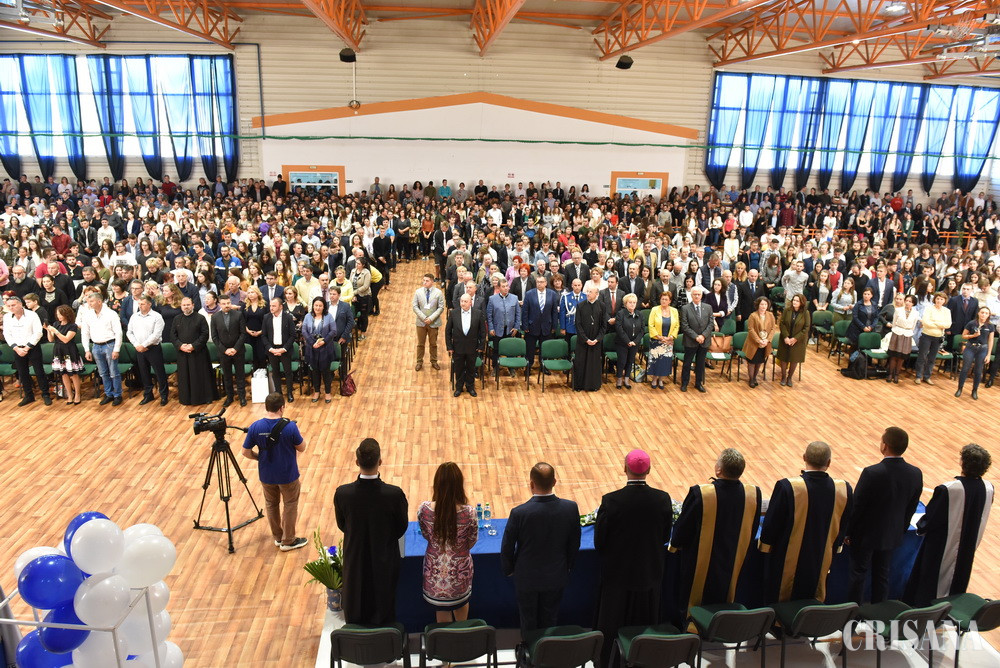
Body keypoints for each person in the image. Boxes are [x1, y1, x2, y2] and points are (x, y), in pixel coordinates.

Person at [594, 450, 672, 664]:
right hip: (649, 573)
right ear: (649, 470)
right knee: (645, 624)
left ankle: (610, 661)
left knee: (613, 623)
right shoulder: (662, 499)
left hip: (617, 576)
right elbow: (665, 536)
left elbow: (600, 542)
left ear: (624, 468)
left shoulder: (611, 501)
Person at [759, 441, 853, 603]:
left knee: (782, 600)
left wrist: (765, 546)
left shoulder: (788, 486)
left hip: (785, 560)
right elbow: (844, 522)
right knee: (813, 598)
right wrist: (837, 546)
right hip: (821, 558)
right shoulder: (844, 489)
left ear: (804, 457)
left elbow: (772, 523)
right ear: (829, 463)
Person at [670, 449, 761, 615]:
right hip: (733, 560)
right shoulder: (753, 494)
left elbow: (684, 528)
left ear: (718, 470)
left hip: (700, 564)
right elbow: (754, 527)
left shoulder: (701, 494)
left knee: (693, 604)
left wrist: (674, 545)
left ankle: (691, 624)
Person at [904, 444, 994, 607]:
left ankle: (924, 609)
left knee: (931, 581)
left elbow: (930, 519)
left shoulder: (949, 490)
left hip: (941, 546)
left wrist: (920, 526)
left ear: (963, 463)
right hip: (969, 545)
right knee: (959, 576)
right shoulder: (989, 488)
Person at [500, 462, 580, 639]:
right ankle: (548, 652)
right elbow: (574, 543)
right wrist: (567, 567)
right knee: (550, 619)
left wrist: (509, 570)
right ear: (555, 482)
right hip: (556, 575)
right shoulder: (570, 508)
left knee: (528, 621)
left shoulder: (519, 513)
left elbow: (507, 546)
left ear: (531, 484)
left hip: (526, 578)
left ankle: (530, 652)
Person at [334, 438, 409, 626]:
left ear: (356, 462)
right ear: (380, 461)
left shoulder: (343, 494)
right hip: (385, 559)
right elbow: (401, 527)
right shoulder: (394, 495)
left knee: (356, 605)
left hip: (355, 560)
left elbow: (342, 525)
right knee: (385, 605)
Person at [847, 426, 923, 604]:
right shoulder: (915, 473)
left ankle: (853, 612)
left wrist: (848, 531)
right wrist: (900, 530)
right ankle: (879, 612)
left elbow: (857, 506)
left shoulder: (872, 472)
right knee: (882, 575)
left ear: (885, 446)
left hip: (865, 535)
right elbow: (912, 506)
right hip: (891, 534)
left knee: (858, 574)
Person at [241, 392, 307, 551]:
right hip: (288, 475)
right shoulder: (290, 427)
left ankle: (278, 537)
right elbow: (302, 447)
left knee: (271, 505)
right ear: (282, 408)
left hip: (266, 474)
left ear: (266, 407)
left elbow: (245, 452)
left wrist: (259, 458)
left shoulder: (255, 426)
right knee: (290, 505)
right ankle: (288, 541)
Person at [418, 462, 478, 621]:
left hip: (434, 575)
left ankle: (444, 637)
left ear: (436, 484)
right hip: (460, 574)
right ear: (459, 485)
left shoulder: (424, 509)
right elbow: (472, 541)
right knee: (461, 613)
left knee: (441, 615)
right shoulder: (470, 512)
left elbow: (425, 535)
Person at [3, 293, 50, 406]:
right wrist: (16, 348)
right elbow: (7, 334)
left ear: (20, 304)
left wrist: (27, 347)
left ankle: (45, 394)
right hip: (17, 348)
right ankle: (29, 395)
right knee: (22, 373)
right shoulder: (7, 317)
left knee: (39, 371)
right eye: (9, 306)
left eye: (13, 305)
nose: (11, 308)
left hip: (32, 347)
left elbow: (38, 332)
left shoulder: (32, 315)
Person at [79, 291, 123, 406]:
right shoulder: (87, 315)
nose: (89, 304)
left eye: (91, 301)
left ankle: (117, 395)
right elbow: (85, 333)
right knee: (103, 372)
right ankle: (108, 394)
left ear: (99, 301)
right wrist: (86, 349)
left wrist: (116, 349)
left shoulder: (111, 314)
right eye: (88, 302)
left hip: (110, 344)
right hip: (96, 345)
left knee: (113, 372)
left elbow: (118, 332)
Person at [171, 296, 215, 405]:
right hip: (182, 353)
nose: (186, 307)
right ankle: (186, 399)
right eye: (184, 305)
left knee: (198, 376)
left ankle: (200, 399)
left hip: (198, 353)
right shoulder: (177, 319)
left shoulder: (200, 318)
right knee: (184, 377)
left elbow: (205, 334)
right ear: (181, 306)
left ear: (193, 305)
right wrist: (180, 346)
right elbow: (173, 335)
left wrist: (193, 346)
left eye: (188, 305)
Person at [127, 295, 169, 406]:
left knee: (159, 373)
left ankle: (164, 395)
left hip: (153, 348)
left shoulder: (157, 317)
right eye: (139, 304)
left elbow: (156, 334)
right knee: (144, 373)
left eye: (143, 304)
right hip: (139, 349)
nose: (140, 306)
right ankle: (148, 395)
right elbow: (129, 332)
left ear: (149, 304)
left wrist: (144, 345)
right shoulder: (134, 317)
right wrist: (137, 345)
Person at [446, 293, 486, 397]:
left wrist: (481, 346)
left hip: (472, 347)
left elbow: (483, 332)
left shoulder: (478, 313)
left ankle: (470, 387)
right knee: (458, 369)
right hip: (457, 347)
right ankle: (459, 387)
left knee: (471, 368)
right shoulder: (453, 313)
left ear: (470, 302)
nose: (463, 303)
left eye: (465, 301)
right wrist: (449, 346)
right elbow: (448, 331)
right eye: (461, 301)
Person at [211, 293, 247, 407]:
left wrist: (235, 348)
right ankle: (229, 397)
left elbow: (243, 334)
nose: (226, 305)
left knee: (240, 375)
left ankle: (242, 397)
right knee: (227, 376)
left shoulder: (238, 315)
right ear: (219, 304)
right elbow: (214, 337)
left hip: (238, 350)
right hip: (224, 352)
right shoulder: (215, 317)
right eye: (224, 303)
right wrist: (224, 350)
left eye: (228, 303)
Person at [300, 296, 337, 403]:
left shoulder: (328, 316)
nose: (318, 307)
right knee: (314, 372)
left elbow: (333, 331)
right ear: (313, 306)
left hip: (325, 348)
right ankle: (316, 391)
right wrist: (312, 343)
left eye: (320, 305)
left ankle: (327, 392)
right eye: (316, 305)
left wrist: (323, 341)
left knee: (326, 372)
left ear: (324, 306)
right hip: (312, 348)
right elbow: (304, 331)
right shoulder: (307, 316)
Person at [521, 275, 558, 377]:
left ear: (546, 283)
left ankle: (543, 366)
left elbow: (554, 312)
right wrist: (525, 326)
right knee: (530, 349)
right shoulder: (529, 294)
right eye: (538, 282)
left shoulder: (552, 294)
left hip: (547, 326)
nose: (539, 284)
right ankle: (528, 367)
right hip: (531, 326)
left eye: (541, 282)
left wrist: (554, 326)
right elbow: (525, 311)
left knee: (545, 349)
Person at [955, 306, 995, 400]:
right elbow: (963, 335)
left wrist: (988, 354)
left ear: (988, 315)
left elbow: (991, 340)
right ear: (978, 313)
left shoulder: (990, 326)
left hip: (982, 349)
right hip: (970, 348)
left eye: (986, 313)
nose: (983, 314)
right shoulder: (972, 323)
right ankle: (960, 388)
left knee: (978, 371)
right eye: (982, 312)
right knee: (965, 368)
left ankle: (975, 390)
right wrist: (973, 335)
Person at [46, 304, 83, 405]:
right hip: (58, 350)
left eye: (60, 314)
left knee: (73, 374)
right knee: (64, 374)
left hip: (69, 350)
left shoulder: (73, 326)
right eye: (57, 314)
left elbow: (66, 339)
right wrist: (48, 330)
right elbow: (51, 339)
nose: (58, 316)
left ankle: (77, 394)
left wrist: (56, 331)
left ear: (66, 314)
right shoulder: (56, 324)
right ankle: (69, 394)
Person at [680, 284, 713, 393]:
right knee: (687, 363)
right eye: (695, 294)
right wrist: (696, 336)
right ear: (691, 295)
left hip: (704, 341)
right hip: (690, 340)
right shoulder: (685, 308)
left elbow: (710, 324)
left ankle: (698, 383)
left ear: (702, 295)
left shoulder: (708, 307)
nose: (697, 296)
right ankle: (684, 383)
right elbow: (684, 325)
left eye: (699, 294)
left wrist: (703, 336)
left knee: (700, 363)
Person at [263, 296, 296, 402]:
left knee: (288, 372)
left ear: (281, 307)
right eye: (270, 306)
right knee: (275, 372)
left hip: (285, 349)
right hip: (272, 350)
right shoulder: (266, 317)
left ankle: (289, 393)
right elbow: (264, 336)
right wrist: (270, 349)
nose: (271, 308)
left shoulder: (288, 317)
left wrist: (284, 349)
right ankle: (278, 393)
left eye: (274, 306)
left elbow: (292, 335)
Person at [573, 285, 606, 392]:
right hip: (583, 341)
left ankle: (593, 385)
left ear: (597, 294)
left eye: (590, 292)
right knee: (581, 362)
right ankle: (579, 385)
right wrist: (586, 339)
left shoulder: (602, 306)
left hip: (596, 341)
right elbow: (578, 324)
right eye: (587, 291)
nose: (587, 294)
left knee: (594, 364)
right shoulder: (580, 305)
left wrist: (597, 339)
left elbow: (603, 325)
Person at [915, 291, 951, 385]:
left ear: (944, 301)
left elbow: (948, 324)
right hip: (926, 335)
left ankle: (927, 377)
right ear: (935, 299)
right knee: (922, 356)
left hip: (938, 337)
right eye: (938, 298)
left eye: (941, 299)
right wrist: (940, 324)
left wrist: (934, 322)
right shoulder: (929, 309)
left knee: (932, 358)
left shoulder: (947, 311)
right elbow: (925, 322)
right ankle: (918, 376)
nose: (939, 301)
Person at [776, 293, 810, 387]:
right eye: (794, 300)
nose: (795, 302)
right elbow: (782, 323)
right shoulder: (787, 310)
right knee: (783, 357)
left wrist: (795, 339)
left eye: (797, 301)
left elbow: (806, 328)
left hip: (798, 340)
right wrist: (786, 337)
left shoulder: (806, 313)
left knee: (794, 359)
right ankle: (783, 377)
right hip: (785, 338)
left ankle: (789, 377)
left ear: (801, 302)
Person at [412, 273, 444, 372]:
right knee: (420, 344)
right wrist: (424, 317)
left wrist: (431, 318)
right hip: (421, 322)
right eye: (424, 280)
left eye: (427, 281)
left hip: (433, 323)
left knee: (433, 344)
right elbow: (415, 306)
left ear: (432, 282)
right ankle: (419, 362)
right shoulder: (418, 292)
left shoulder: (438, 293)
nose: (424, 282)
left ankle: (434, 361)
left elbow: (441, 307)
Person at [647, 290, 679, 389]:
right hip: (656, 340)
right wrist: (659, 337)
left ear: (670, 301)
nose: (663, 301)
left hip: (668, 341)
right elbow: (650, 325)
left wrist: (671, 337)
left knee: (665, 361)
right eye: (662, 299)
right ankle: (654, 379)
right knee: (656, 361)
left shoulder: (674, 311)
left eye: (666, 299)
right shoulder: (654, 309)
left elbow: (677, 325)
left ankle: (661, 379)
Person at [486, 278, 520, 371]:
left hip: (510, 329)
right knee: (496, 349)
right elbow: (489, 315)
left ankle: (511, 368)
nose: (506, 288)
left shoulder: (514, 298)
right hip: (497, 329)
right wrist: (491, 328)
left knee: (510, 349)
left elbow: (518, 314)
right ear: (499, 288)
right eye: (503, 286)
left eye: (507, 286)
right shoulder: (492, 299)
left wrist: (516, 327)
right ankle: (495, 368)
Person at [613, 293, 644, 389]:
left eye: (634, 302)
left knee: (630, 361)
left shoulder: (639, 314)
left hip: (634, 343)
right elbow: (619, 329)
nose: (632, 304)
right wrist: (628, 341)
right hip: (622, 343)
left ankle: (626, 379)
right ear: (625, 304)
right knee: (622, 361)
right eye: (630, 302)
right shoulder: (621, 314)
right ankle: (619, 379)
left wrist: (635, 341)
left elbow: (642, 330)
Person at [885, 294, 918, 384]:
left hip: (907, 335)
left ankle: (896, 374)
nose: (907, 303)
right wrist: (896, 331)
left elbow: (913, 326)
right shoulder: (898, 310)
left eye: (910, 301)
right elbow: (894, 322)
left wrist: (907, 331)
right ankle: (890, 374)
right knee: (894, 355)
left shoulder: (916, 313)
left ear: (913, 303)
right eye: (906, 300)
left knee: (901, 357)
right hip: (897, 333)